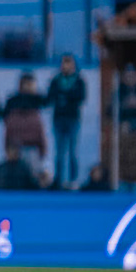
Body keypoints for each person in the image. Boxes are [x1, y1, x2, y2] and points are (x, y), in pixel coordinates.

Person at [45, 54, 86, 189]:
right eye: (64, 63)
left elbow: (80, 97)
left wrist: (64, 96)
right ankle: (59, 180)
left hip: (73, 119)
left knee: (73, 151)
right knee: (59, 152)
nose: (66, 66)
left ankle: (73, 180)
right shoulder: (56, 80)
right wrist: (65, 96)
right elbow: (50, 97)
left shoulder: (79, 81)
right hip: (58, 119)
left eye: (69, 63)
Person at [2, 74, 48, 178]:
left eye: (32, 85)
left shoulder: (38, 103)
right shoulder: (13, 105)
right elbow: (7, 131)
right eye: (28, 84)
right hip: (16, 148)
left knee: (34, 175)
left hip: (33, 149)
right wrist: (8, 149)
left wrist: (42, 150)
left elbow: (40, 133)